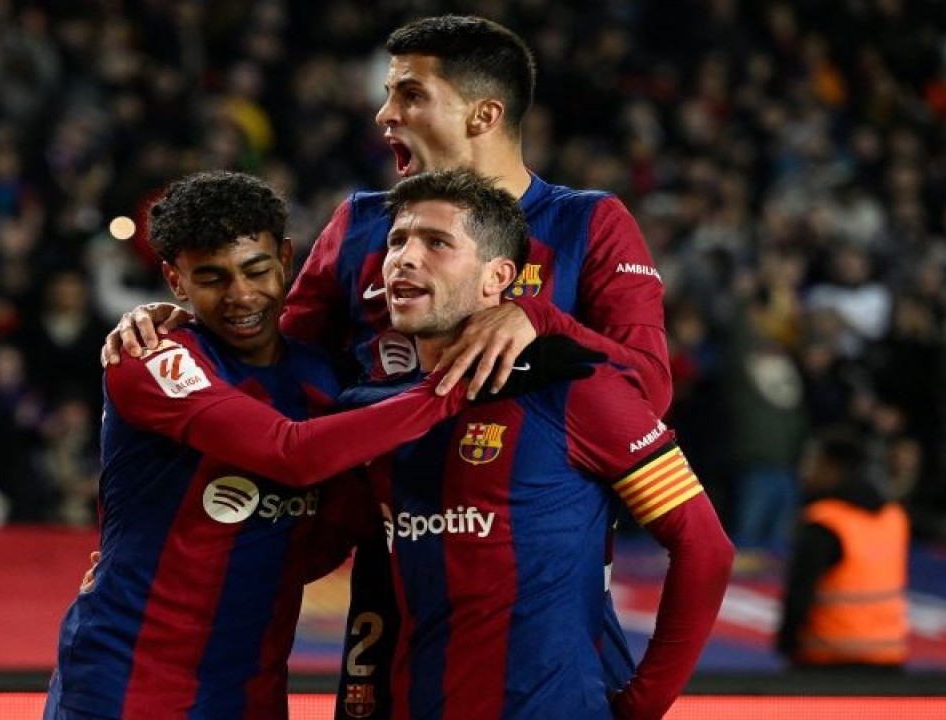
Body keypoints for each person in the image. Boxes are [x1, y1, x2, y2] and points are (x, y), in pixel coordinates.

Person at [101, 15, 673, 717]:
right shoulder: (362, 223)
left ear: (483, 114)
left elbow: (650, 387)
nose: (384, 113)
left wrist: (542, 318)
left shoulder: (588, 222)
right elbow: (277, 360)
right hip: (393, 555)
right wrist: (182, 322)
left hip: (541, 566)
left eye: (409, 94)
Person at [44, 171, 568, 720]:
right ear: (176, 283)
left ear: (287, 260)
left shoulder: (324, 377)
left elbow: (338, 522)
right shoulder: (150, 359)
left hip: (250, 690)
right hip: (123, 684)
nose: (241, 295)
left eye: (256, 270)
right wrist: (458, 383)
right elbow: (290, 454)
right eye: (211, 278)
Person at [361, 167, 731, 718]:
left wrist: (642, 704)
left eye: (436, 242)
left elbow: (705, 548)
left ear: (497, 277)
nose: (404, 259)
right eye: (397, 240)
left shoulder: (580, 391)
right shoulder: (377, 410)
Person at [775, 426, 910, 670]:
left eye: (812, 462)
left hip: (828, 663)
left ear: (831, 467)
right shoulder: (894, 516)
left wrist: (786, 645)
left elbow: (799, 594)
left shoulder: (824, 523)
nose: (805, 472)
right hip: (888, 662)